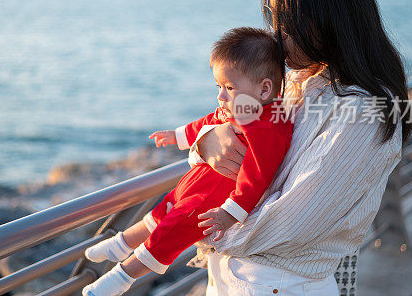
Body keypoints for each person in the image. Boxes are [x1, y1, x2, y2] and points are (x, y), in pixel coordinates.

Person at [185, 0, 412, 295]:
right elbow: (229, 130)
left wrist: (210, 232)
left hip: (278, 284)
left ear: (326, 15)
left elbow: (295, 222)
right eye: (273, 17)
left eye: (286, 20)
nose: (277, 33)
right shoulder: (299, 82)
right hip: (240, 278)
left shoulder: (365, 110)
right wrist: (206, 142)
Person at [81, 27, 294, 296]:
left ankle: (121, 277)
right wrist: (178, 135)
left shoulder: (269, 127)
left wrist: (230, 214)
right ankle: (121, 243)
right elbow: (209, 121)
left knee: (168, 234)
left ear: (265, 89)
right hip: (195, 185)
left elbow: (258, 177)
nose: (221, 96)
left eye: (229, 87)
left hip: (209, 201)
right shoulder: (242, 107)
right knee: (163, 210)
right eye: (219, 86)